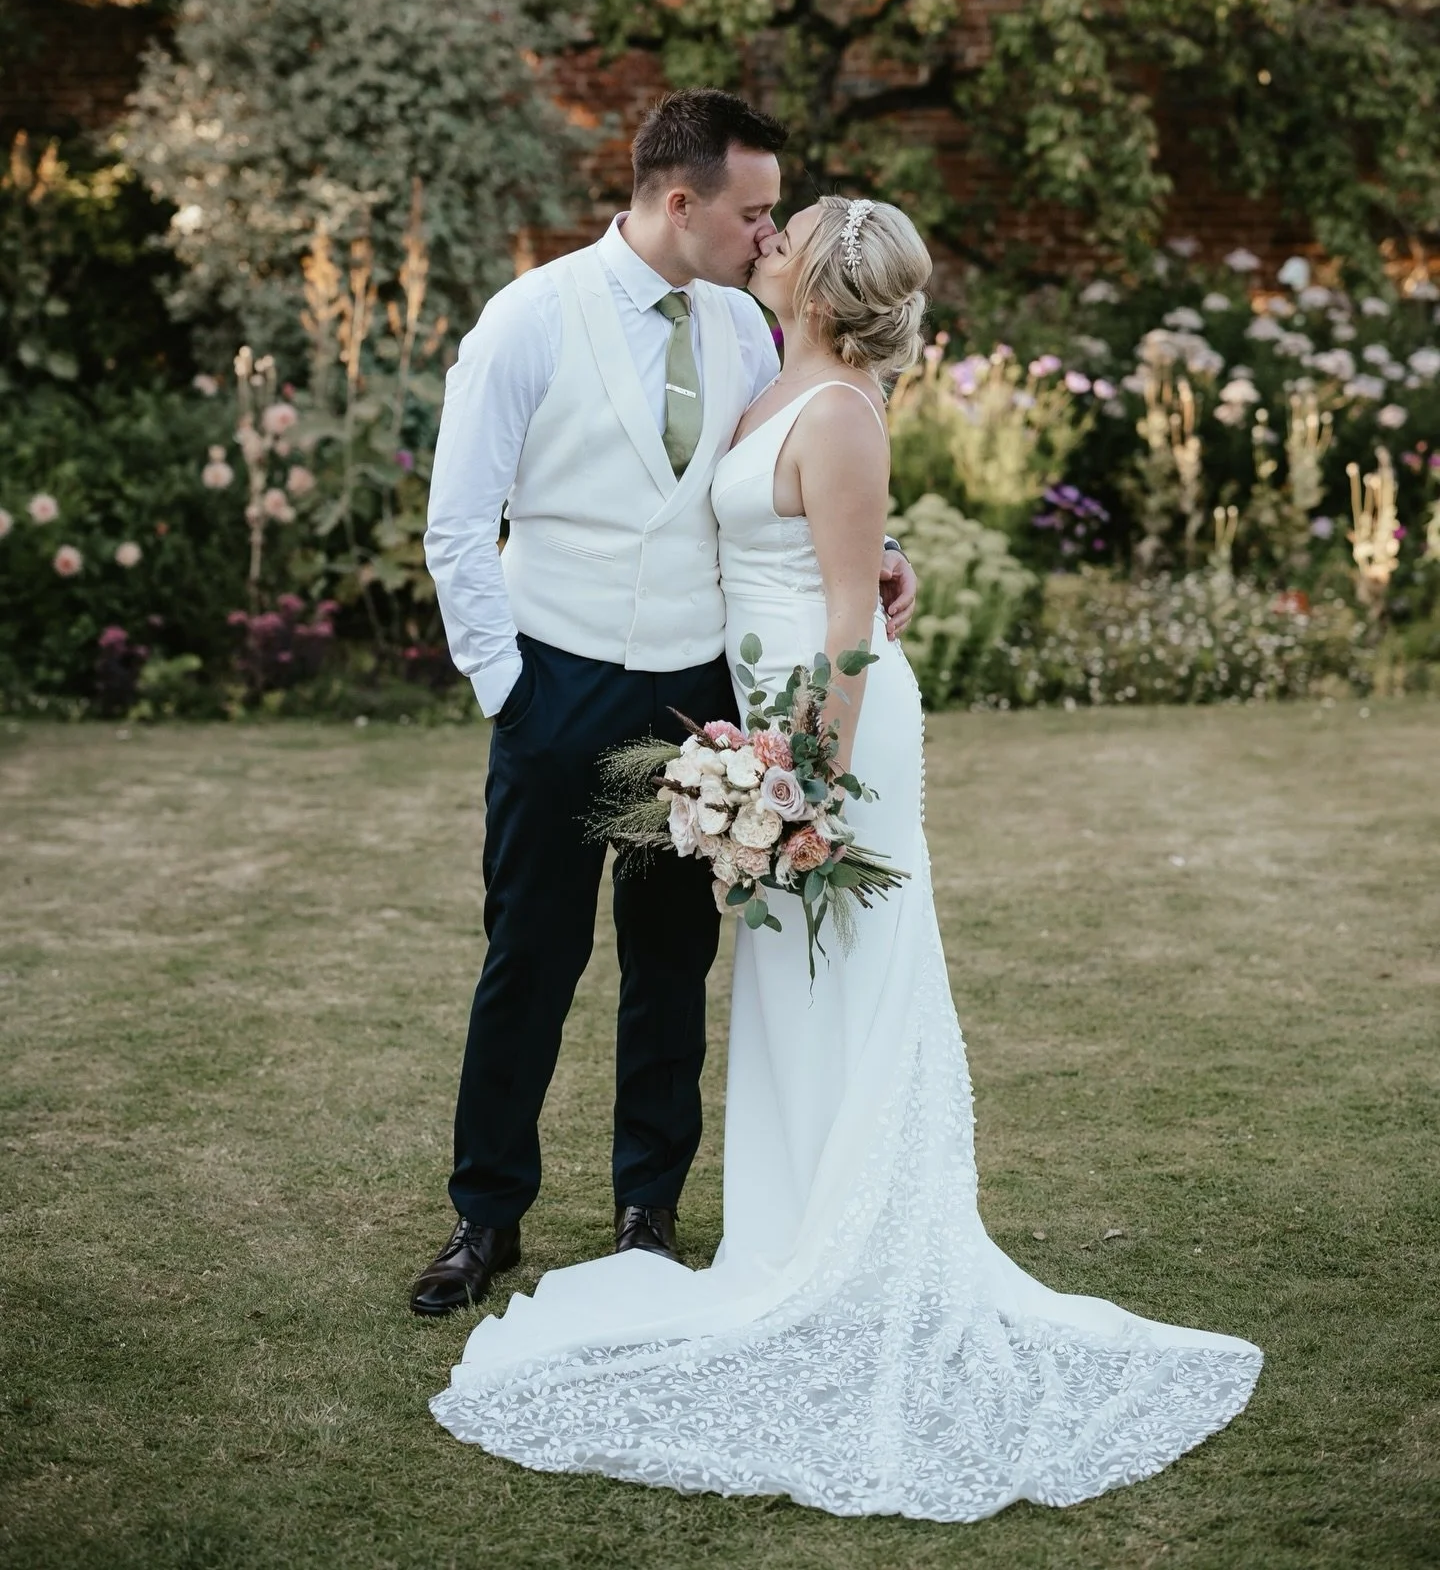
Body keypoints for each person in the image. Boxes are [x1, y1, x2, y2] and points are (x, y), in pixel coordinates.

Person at [429, 196, 1263, 1523]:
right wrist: (867, 575)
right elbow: (824, 549)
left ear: (815, 274)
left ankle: (860, 1245)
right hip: (754, 721)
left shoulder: (835, 405)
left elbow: (843, 624)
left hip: (827, 743)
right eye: (762, 214)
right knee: (778, 987)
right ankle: (784, 1227)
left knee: (847, 975)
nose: (766, 234)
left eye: (787, 226)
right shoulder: (774, 373)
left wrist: (799, 781)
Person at [414, 92, 918, 1316]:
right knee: (529, 955)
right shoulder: (531, 319)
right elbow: (455, 526)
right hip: (557, 680)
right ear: (677, 201)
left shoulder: (750, 330)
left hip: (702, 700)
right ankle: (486, 1217)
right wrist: (511, 693)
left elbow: (785, 479)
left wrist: (882, 550)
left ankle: (650, 1210)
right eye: (754, 210)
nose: (768, 231)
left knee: (672, 962)